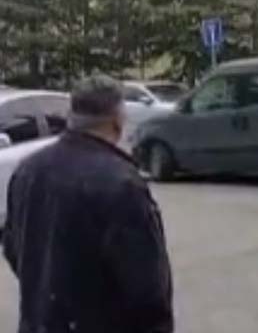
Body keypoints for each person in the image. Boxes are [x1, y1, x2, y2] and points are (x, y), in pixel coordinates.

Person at [2, 75, 174, 333]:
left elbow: (14, 247)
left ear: (71, 117)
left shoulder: (28, 170)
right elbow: (146, 285)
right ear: (118, 119)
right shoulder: (121, 184)